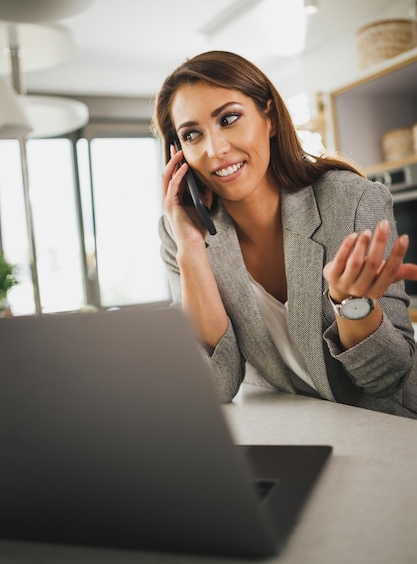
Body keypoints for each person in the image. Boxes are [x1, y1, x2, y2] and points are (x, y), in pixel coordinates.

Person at [153, 49, 417, 419]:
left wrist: (350, 304)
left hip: (390, 430)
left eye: (229, 119)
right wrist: (192, 248)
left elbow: (389, 378)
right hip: (298, 428)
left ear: (270, 118)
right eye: (192, 134)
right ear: (177, 153)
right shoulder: (180, 233)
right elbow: (215, 385)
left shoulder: (351, 201)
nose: (215, 149)